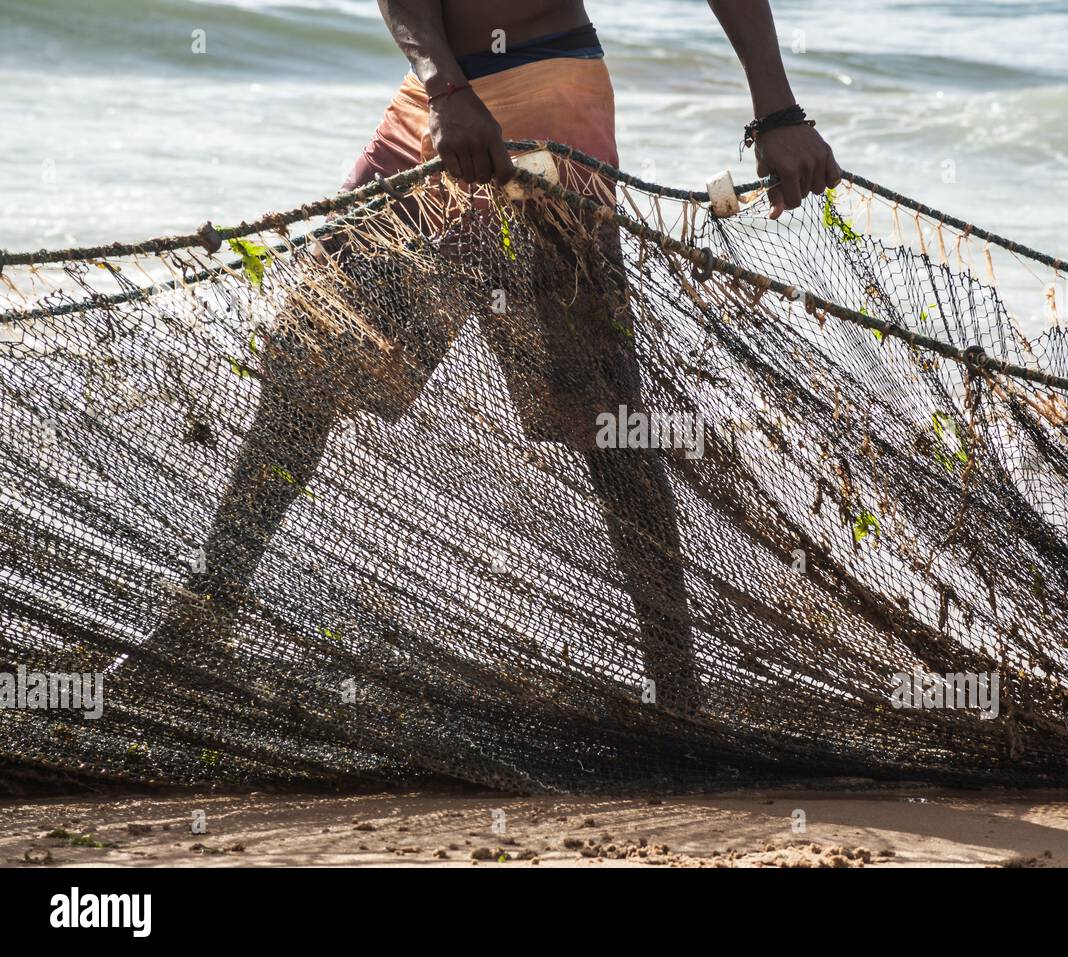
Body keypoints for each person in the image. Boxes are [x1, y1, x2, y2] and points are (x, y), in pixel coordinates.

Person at [135, 0, 841, 716]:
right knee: (307, 355)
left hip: (550, 97)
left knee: (608, 419)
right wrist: (445, 88)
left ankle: (678, 694)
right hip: (440, 107)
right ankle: (205, 616)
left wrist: (778, 113)